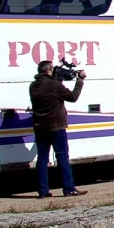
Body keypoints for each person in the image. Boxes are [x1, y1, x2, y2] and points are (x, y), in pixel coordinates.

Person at [29, 60, 88, 198]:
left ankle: (43, 191)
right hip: (56, 126)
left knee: (42, 159)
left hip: (40, 127)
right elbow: (72, 97)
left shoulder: (33, 86)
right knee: (62, 157)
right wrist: (79, 80)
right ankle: (69, 188)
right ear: (49, 70)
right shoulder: (54, 85)